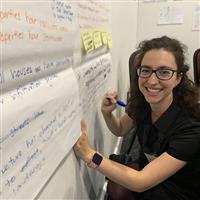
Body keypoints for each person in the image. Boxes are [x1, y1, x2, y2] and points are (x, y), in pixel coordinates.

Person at [73, 36, 200, 200]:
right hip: (149, 169)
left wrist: (90, 155)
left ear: (178, 78)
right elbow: (120, 129)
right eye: (146, 70)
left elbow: (140, 182)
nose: (152, 81)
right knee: (117, 187)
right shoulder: (144, 102)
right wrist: (107, 113)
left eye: (164, 72)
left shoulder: (192, 126)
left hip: (180, 188)